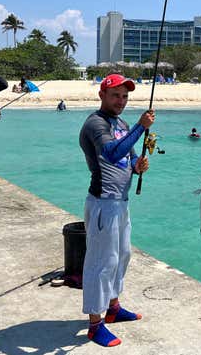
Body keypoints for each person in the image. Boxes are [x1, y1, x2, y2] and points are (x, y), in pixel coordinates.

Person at [79, 73, 155, 348]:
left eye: (125, 96)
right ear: (102, 95)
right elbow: (110, 153)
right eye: (115, 96)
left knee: (122, 255)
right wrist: (140, 125)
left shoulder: (120, 123)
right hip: (103, 203)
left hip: (121, 202)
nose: (121, 101)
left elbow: (129, 155)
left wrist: (138, 165)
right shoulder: (95, 124)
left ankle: (112, 307)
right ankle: (94, 324)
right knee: (101, 263)